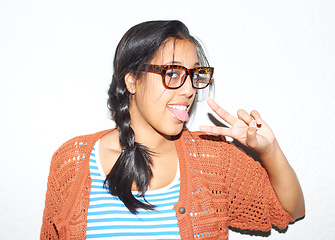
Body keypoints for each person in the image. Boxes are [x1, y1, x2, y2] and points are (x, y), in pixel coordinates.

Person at [41, 20, 305, 239]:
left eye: (194, 75)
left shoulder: (213, 160)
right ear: (132, 79)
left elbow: (287, 209)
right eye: (174, 73)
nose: (189, 89)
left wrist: (270, 150)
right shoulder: (72, 162)